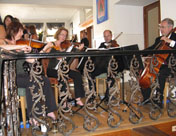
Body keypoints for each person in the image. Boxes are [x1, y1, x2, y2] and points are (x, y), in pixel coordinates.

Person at [2, 21, 57, 125]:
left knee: (44, 79)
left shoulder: (19, 44)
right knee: (32, 81)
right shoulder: (5, 42)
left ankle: (50, 110)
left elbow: (32, 60)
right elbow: (2, 47)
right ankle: (33, 116)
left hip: (23, 75)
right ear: (15, 30)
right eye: (21, 32)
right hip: (12, 76)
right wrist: (19, 47)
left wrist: (44, 49)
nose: (22, 34)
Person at [41, 27, 85, 106]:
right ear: (57, 35)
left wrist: (78, 49)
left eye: (65, 35)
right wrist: (48, 48)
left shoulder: (64, 46)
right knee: (62, 76)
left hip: (61, 69)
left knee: (77, 75)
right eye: (62, 34)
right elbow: (42, 54)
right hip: (51, 70)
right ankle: (64, 101)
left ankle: (78, 98)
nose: (63, 37)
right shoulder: (52, 45)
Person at [141, 18, 176, 108]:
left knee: (160, 73)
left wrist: (171, 42)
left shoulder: (174, 37)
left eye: (163, 27)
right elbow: (151, 48)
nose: (161, 29)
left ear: (170, 27)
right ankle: (147, 98)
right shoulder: (159, 39)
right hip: (159, 64)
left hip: (171, 66)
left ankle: (159, 99)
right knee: (143, 73)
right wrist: (140, 52)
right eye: (160, 27)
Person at [88, 30, 120, 100]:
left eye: (108, 36)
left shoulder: (115, 45)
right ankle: (93, 93)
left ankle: (107, 94)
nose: (106, 38)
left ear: (111, 36)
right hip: (102, 67)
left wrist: (112, 49)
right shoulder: (102, 44)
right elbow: (97, 55)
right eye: (105, 36)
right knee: (90, 73)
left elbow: (118, 58)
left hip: (111, 67)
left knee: (112, 75)